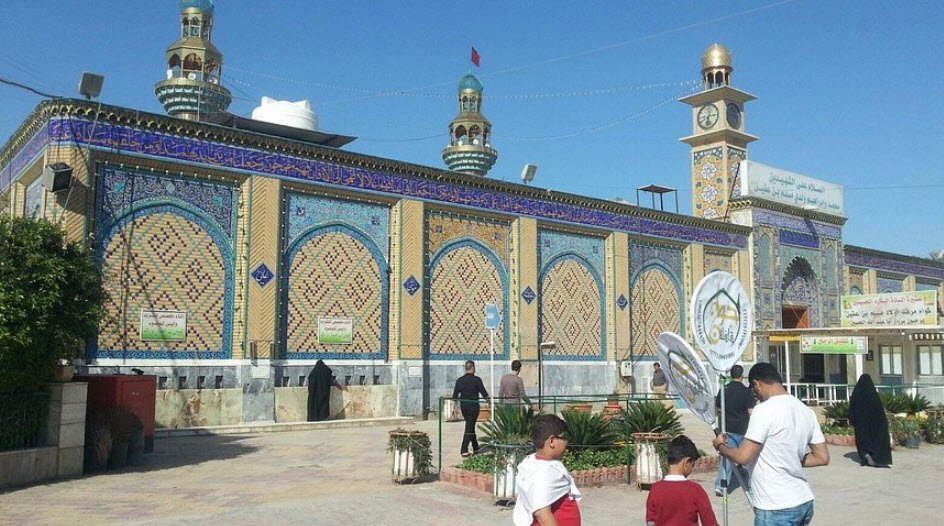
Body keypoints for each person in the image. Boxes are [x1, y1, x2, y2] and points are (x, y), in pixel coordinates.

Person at [711, 362, 829, 526]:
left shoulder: (764, 410)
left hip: (776, 507)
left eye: (753, 390)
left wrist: (720, 446)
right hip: (804, 501)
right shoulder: (805, 410)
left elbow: (743, 457)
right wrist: (790, 458)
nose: (755, 395)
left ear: (756, 384)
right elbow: (822, 457)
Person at [514, 414, 582, 526]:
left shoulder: (538, 465)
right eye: (563, 438)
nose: (566, 442)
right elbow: (542, 513)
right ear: (551, 441)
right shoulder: (542, 473)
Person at [646, 435, 719, 526]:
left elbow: (651, 521)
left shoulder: (655, 489)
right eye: (692, 465)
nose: (691, 469)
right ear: (686, 462)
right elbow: (710, 522)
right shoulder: (696, 490)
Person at [714, 364, 756, 496]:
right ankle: (750, 485)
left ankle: (721, 485)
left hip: (728, 429)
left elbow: (718, 410)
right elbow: (751, 412)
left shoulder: (724, 389)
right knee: (746, 458)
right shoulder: (747, 392)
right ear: (742, 376)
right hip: (744, 429)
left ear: (731, 375)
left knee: (727, 457)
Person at [848, 373, 892, 467]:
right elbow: (879, 411)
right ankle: (878, 458)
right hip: (875, 423)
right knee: (876, 439)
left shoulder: (857, 393)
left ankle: (865, 456)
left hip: (861, 424)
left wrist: (852, 420)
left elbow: (852, 409)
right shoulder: (873, 393)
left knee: (863, 440)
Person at [452, 360, 489, 457]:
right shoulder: (477, 380)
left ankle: (475, 447)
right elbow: (484, 394)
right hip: (473, 406)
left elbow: (455, 396)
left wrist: (453, 407)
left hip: (464, 406)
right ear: (473, 368)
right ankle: (464, 449)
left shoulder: (459, 380)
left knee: (470, 425)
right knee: (469, 426)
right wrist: (490, 402)